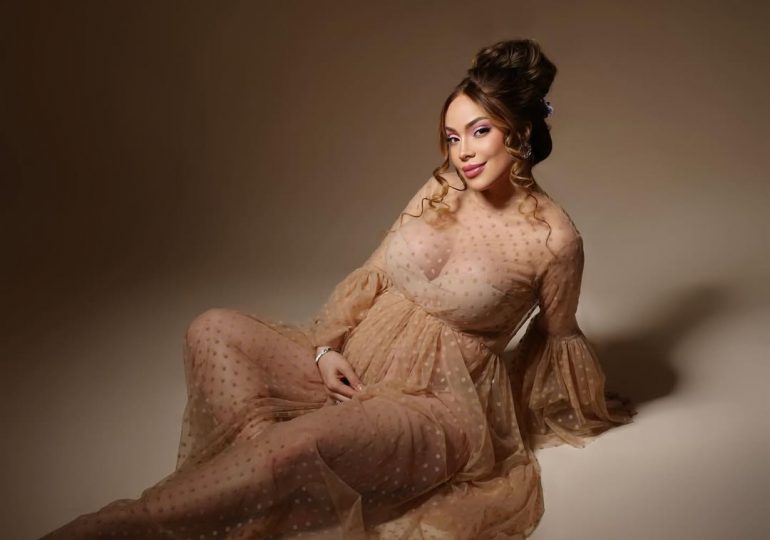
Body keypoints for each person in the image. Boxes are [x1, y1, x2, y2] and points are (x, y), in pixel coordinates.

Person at [40, 38, 636, 540]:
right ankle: (266, 469)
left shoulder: (555, 240)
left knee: (290, 449)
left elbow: (556, 343)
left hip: (432, 410)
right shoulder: (444, 186)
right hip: (353, 367)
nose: (464, 153)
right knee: (212, 328)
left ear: (520, 131)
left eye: (479, 132)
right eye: (452, 137)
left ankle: (123, 524)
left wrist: (551, 413)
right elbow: (375, 271)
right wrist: (326, 348)